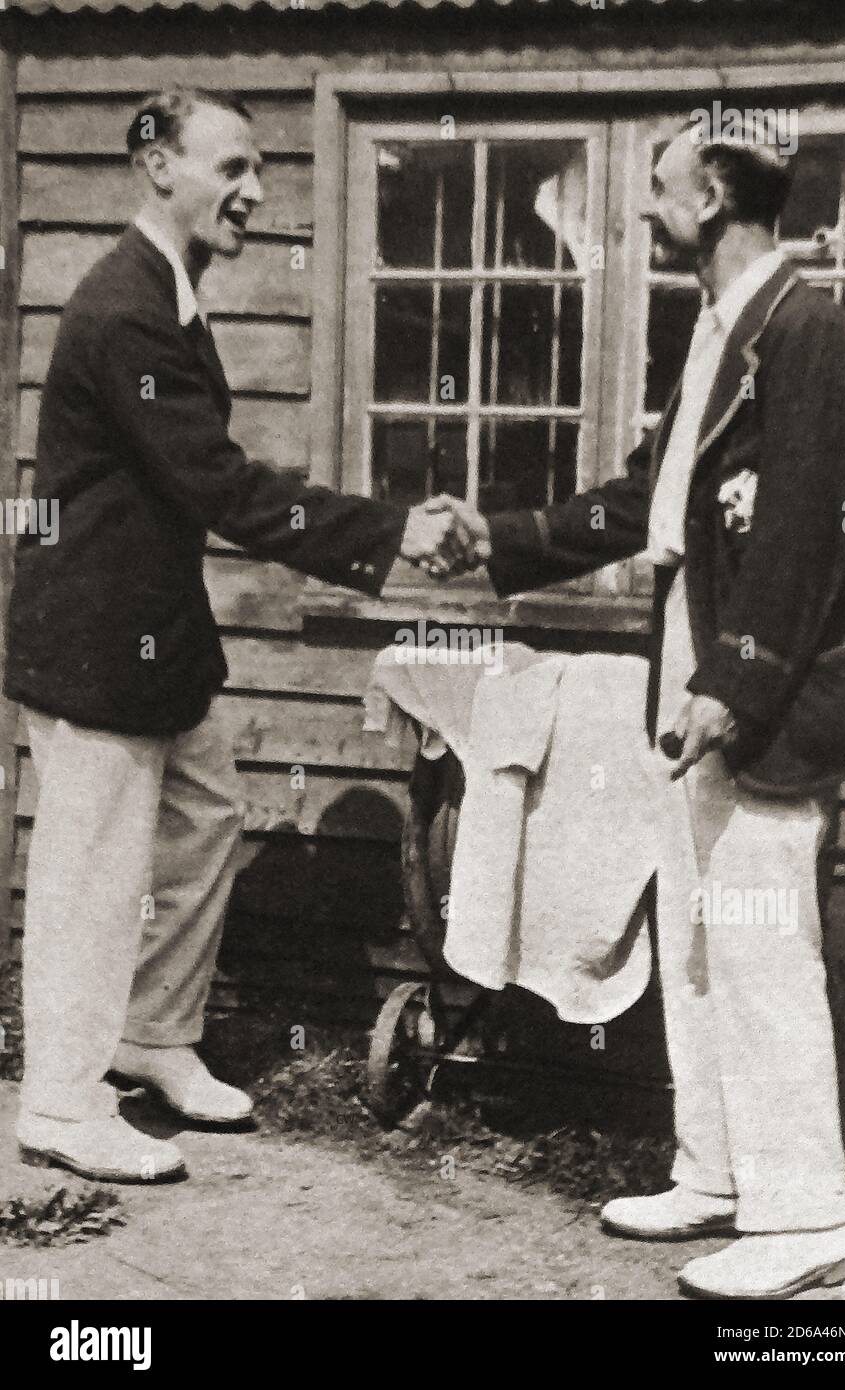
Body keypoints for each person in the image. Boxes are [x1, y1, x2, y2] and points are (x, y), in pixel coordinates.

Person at [430, 116, 845, 1299]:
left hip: (761, 691)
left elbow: (797, 549)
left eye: (657, 186)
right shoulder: (717, 333)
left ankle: (806, 1218)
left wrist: (730, 693)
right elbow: (648, 498)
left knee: (758, 948)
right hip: (700, 669)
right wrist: (505, 538)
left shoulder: (809, 339)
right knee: (694, 941)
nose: (641, 209)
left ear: (717, 196)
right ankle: (718, 1172)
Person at [5, 86, 469, 1184]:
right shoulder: (125, 307)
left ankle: (152, 1032)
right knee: (93, 870)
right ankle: (61, 1105)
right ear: (155, 163)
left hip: (154, 642)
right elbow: (221, 485)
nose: (255, 191)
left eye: (261, 171)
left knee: (207, 809)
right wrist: (396, 529)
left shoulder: (170, 294)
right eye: (232, 167)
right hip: (95, 650)